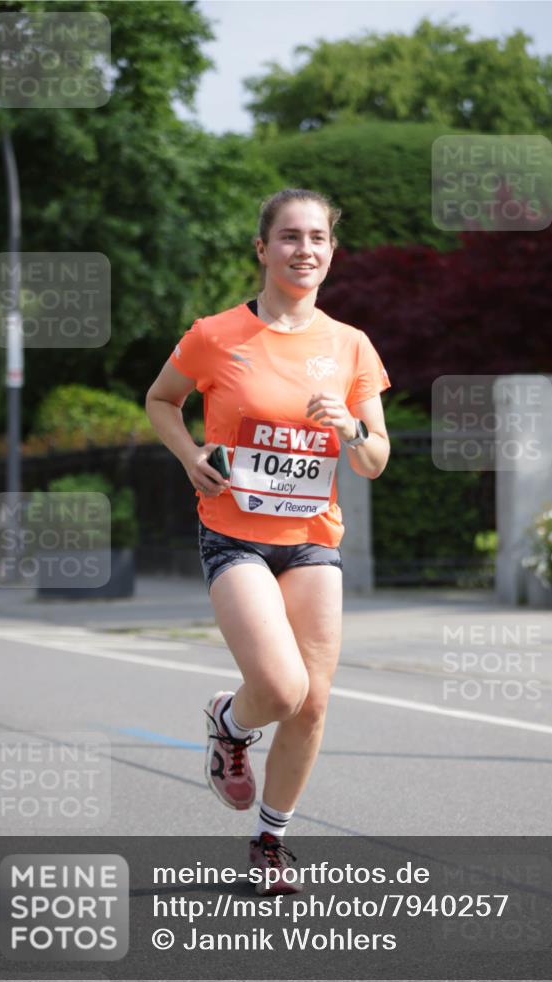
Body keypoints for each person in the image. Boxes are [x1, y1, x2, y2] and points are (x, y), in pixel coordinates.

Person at [146, 188, 390, 894]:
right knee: (280, 690)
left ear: (331, 251)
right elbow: (162, 399)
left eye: (317, 238)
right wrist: (189, 453)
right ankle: (228, 720)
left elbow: (373, 458)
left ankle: (271, 841)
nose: (304, 250)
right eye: (289, 236)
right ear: (262, 248)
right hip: (233, 533)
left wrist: (348, 427)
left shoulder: (350, 346)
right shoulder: (216, 334)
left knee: (313, 702)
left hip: (312, 538)